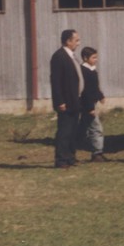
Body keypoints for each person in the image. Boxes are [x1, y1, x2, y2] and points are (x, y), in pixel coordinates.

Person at [50, 29, 83, 169]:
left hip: (75, 100)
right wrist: (59, 101)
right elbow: (56, 81)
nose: (78, 42)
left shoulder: (72, 56)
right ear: (68, 41)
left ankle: (70, 157)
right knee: (64, 131)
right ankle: (61, 159)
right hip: (66, 101)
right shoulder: (59, 57)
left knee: (73, 130)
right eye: (76, 40)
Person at [79, 46, 108, 162]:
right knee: (97, 128)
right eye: (93, 57)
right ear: (85, 58)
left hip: (92, 103)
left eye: (96, 57)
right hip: (87, 105)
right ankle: (97, 153)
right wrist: (90, 107)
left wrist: (100, 96)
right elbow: (86, 91)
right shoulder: (84, 72)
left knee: (84, 128)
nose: (96, 59)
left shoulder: (92, 71)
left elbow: (94, 87)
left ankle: (76, 144)